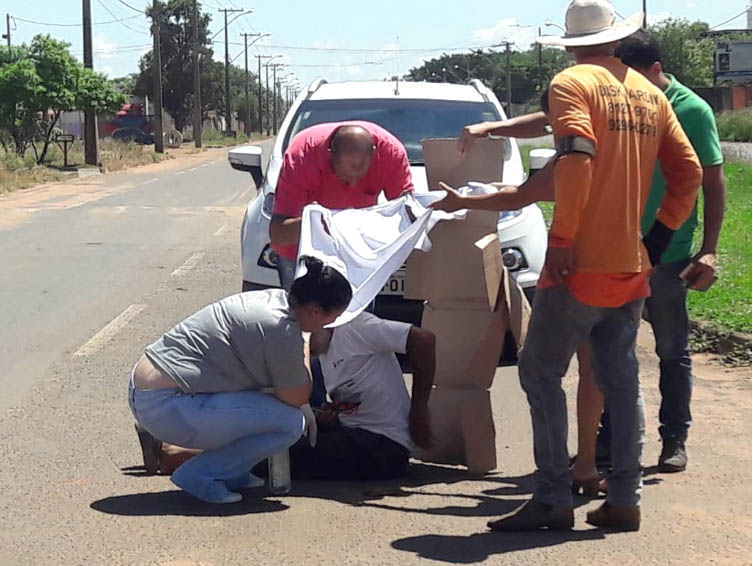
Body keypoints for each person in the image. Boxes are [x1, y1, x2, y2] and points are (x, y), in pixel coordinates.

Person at [474, 0, 702, 532]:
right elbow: (687, 171)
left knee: (539, 371)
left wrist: (563, 240)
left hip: (580, 265)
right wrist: (657, 239)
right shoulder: (651, 93)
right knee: (621, 378)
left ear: (573, 44)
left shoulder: (572, 83)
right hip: (632, 265)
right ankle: (625, 499)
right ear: (617, 40)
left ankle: (553, 495)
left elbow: (575, 154)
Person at [595, 31, 726, 474]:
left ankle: (675, 439)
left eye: (635, 79)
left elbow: (712, 182)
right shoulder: (619, 105)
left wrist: (708, 250)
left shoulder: (692, 110)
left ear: (655, 70)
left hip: (670, 251)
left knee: (672, 347)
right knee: (614, 347)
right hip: (619, 249)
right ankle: (610, 439)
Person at [128, 256, 352, 504]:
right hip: (165, 405)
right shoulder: (283, 328)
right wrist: (307, 340)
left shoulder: (275, 300)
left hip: (154, 391)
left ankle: (229, 471)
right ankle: (199, 475)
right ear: (316, 311)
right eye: (331, 318)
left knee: (266, 407)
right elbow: (296, 396)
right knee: (289, 423)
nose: (330, 325)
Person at [139, 312, 437, 481]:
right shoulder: (321, 354)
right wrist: (329, 416)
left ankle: (178, 456)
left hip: (385, 446)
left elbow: (423, 339)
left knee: (286, 453)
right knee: (284, 432)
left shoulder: (359, 328)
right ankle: (181, 449)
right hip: (353, 431)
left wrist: (419, 408)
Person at [269, 121, 414, 291]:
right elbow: (278, 233)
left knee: (357, 314)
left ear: (375, 154)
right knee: (302, 314)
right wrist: (318, 223)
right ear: (330, 155)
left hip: (357, 253)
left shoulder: (391, 154)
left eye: (361, 177)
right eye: (344, 178)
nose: (352, 185)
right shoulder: (301, 157)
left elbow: (407, 213)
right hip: (300, 253)